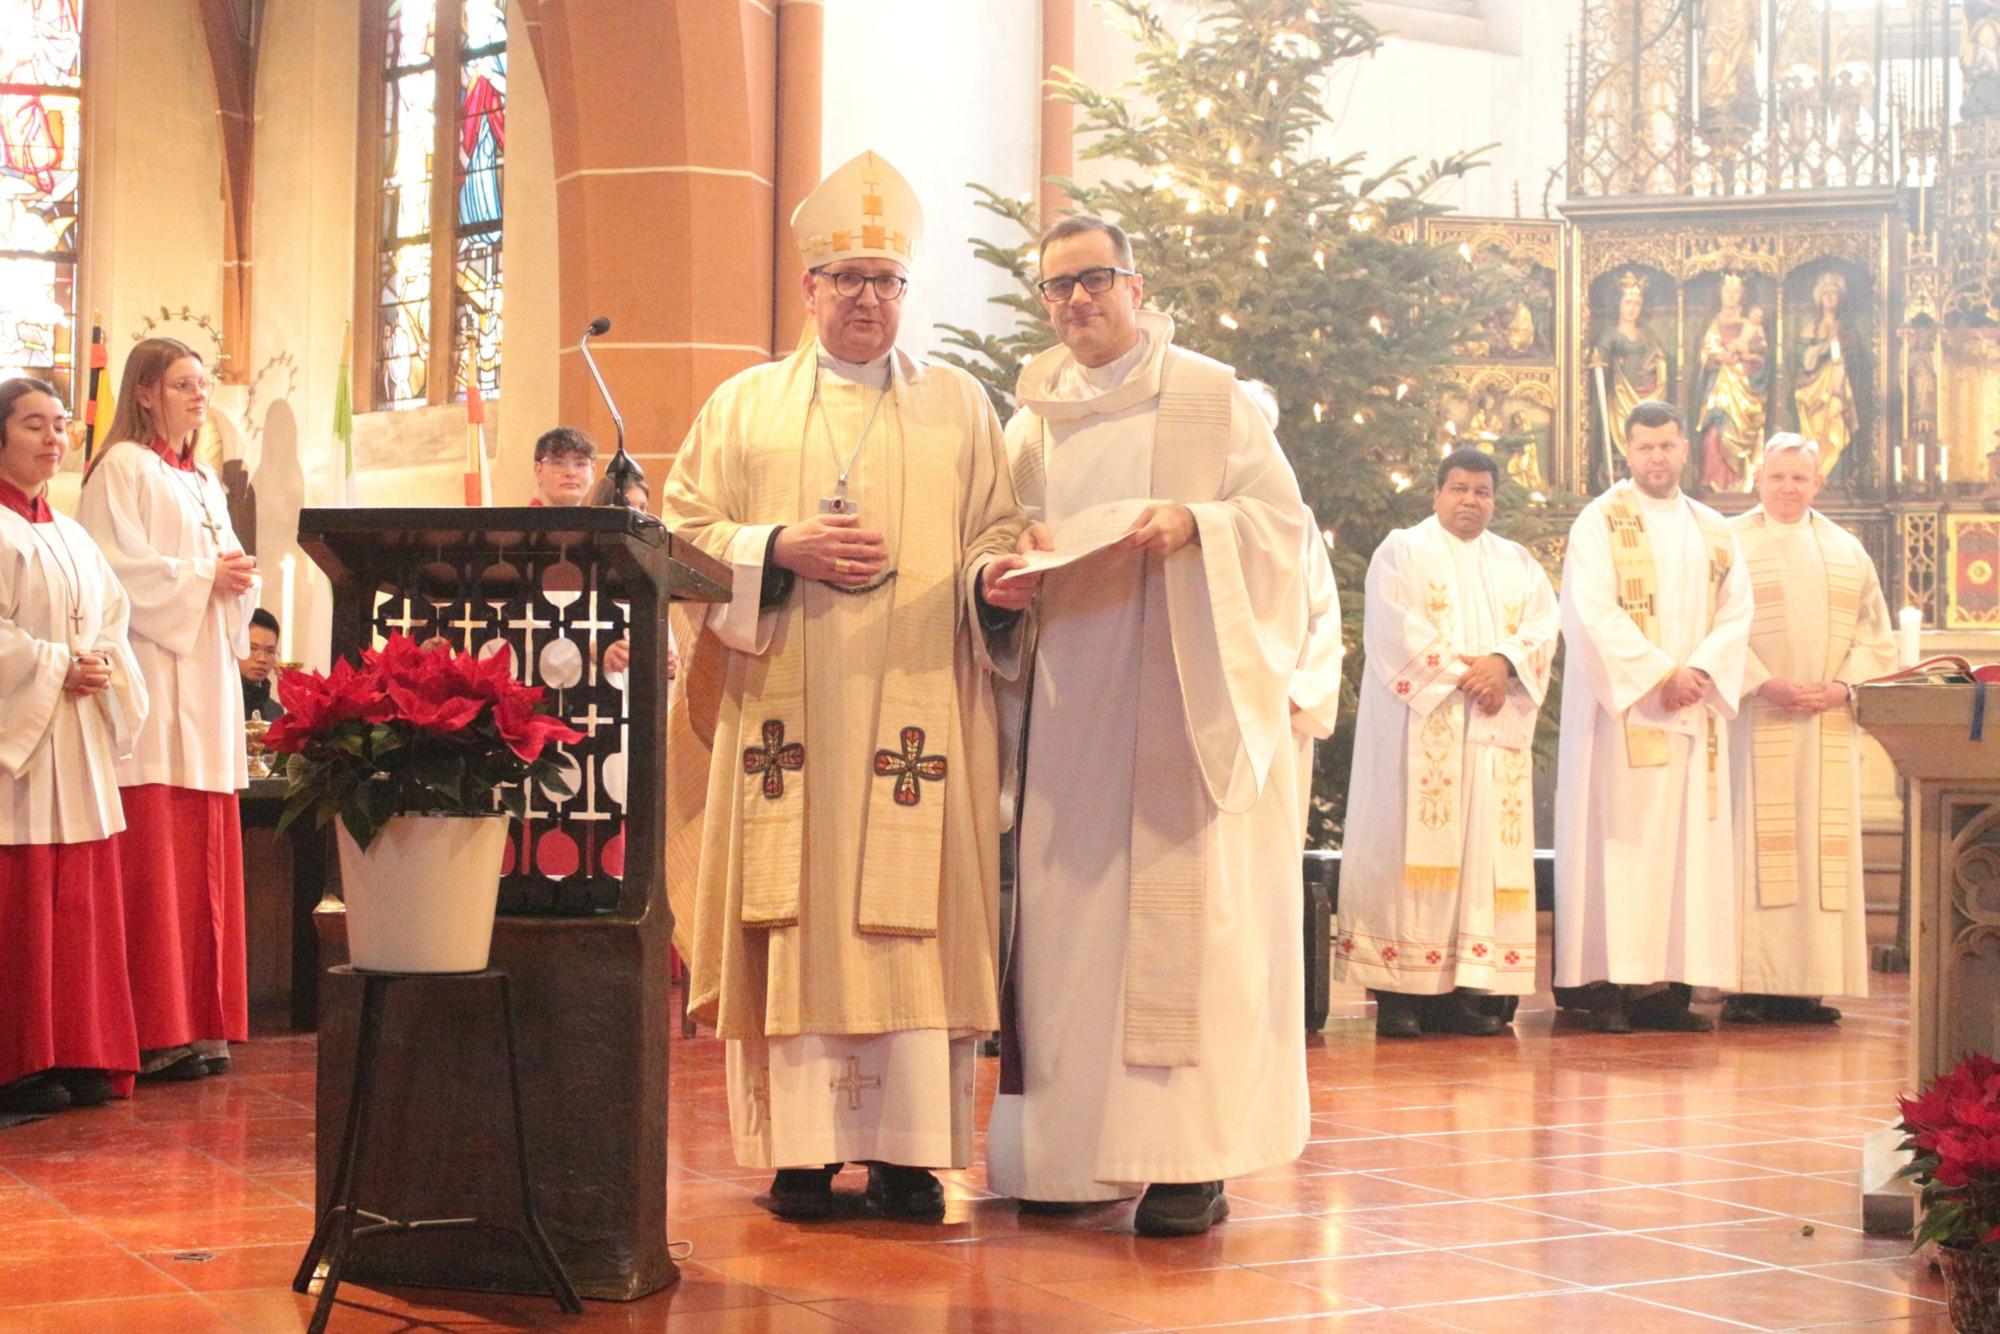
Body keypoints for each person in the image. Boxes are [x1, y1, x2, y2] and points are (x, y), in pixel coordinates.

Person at [655, 151, 1030, 1222]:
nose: (868, 297)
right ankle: (804, 1151)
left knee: (910, 912)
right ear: (810, 289)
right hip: (790, 713)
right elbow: (679, 535)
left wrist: (995, 583)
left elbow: (993, 537)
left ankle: (913, 1152)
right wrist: (778, 546)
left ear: (905, 294)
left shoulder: (961, 407)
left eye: (887, 279)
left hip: (918, 711)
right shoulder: (743, 406)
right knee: (800, 901)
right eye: (848, 278)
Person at [988, 215, 1309, 1237]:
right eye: (1056, 288)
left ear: (1133, 284)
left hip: (1185, 699)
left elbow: (1282, 533)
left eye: (1093, 280)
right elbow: (996, 535)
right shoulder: (1030, 421)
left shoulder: (1210, 397)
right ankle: (1069, 1155)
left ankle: (1185, 1162)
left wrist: (1194, 526)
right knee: (1068, 928)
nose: (1076, 301)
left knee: (1183, 925)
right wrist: (1005, 559)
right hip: (1068, 706)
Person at [76, 337, 258, 1081]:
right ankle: (154, 1027)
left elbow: (225, 569)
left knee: (204, 854)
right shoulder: (120, 468)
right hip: (153, 674)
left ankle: (202, 1024)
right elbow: (107, 570)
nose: (198, 397)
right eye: (184, 384)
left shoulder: (206, 480)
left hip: (207, 678)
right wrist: (200, 576)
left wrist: (235, 580)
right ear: (145, 392)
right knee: (154, 857)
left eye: (203, 384)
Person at [1336, 448, 1559, 1038]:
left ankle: (1465, 991)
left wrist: (1502, 663)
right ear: (1437, 494)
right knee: (1405, 856)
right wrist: (1470, 675)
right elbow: (1394, 629)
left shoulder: (1517, 562)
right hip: (1420, 735)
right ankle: (1400, 997)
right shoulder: (1403, 549)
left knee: (1478, 864)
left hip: (1487, 740)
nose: (1470, 501)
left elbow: (1541, 627)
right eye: (1459, 489)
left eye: (1482, 491)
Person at [1554, 400, 1753, 1033]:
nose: (1657, 458)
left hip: (1692, 716)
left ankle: (1668, 989)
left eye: (1668, 446)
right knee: (1624, 845)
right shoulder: (1600, 521)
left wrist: (1697, 673)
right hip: (1625, 719)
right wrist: (1659, 674)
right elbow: (1590, 612)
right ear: (1628, 449)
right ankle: (1610, 987)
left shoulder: (1713, 529)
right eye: (1646, 448)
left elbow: (1736, 613)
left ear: (1685, 450)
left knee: (1684, 854)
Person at [0, 378, 147, 1114]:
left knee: (78, 903)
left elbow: (113, 621)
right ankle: (17, 1061)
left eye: (60, 426)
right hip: (18, 753)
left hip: (74, 739)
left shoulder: (69, 531)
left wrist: (100, 663)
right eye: (33, 425)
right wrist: (58, 665)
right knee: (22, 901)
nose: (54, 438)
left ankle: (81, 1048)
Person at [1726, 435, 1897, 1024]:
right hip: (1755, 719)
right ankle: (1749, 984)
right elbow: (1707, 628)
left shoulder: (1846, 550)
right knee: (1756, 847)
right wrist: (1760, 681)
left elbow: (1876, 637)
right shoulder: (1730, 543)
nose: (1788, 489)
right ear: (1759, 478)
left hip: (1824, 724)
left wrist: (1843, 687)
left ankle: (1809, 986)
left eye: (1800, 479)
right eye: (1778, 478)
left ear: (1817, 484)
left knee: (1817, 852)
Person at [1697, 275, 1769, 493]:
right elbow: (1706, 354)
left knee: (1745, 433)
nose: (1730, 296)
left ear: (1742, 296)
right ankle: (1714, 482)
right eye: (1726, 291)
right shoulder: (1713, 324)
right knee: (1714, 434)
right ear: (1720, 293)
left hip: (1744, 389)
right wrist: (1719, 358)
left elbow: (1761, 355)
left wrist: (1747, 358)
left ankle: (1743, 482)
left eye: (1735, 291)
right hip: (1720, 387)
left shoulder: (1750, 325)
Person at [1793, 272, 1860, 480]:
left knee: (1836, 424)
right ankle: (1812, 474)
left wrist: (1839, 353)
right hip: (1813, 389)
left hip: (1837, 389)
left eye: (1834, 294)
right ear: (1819, 299)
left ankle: (1835, 477)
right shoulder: (1809, 328)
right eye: (1826, 294)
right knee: (1814, 433)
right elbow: (1802, 362)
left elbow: (1855, 361)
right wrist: (1822, 349)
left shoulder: (1847, 330)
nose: (1830, 298)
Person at [531, 427, 597, 507]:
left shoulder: (601, 519)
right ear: (539, 471)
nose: (570, 473)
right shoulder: (518, 519)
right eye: (558, 463)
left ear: (593, 473)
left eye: (580, 464)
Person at [239, 607, 283, 721]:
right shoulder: (219, 702)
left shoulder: (275, 711)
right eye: (252, 648)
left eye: (269, 651)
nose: (262, 659)